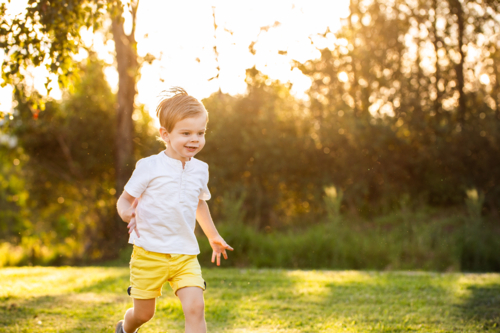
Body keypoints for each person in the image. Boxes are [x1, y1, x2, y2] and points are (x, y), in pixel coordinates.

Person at [115, 87, 233, 333]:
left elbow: (199, 203)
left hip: (185, 254)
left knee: (195, 307)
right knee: (143, 314)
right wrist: (127, 213)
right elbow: (124, 200)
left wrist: (213, 236)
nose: (195, 139)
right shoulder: (149, 166)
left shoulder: (201, 169)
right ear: (165, 134)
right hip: (149, 253)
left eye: (200, 133)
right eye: (186, 133)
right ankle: (125, 329)